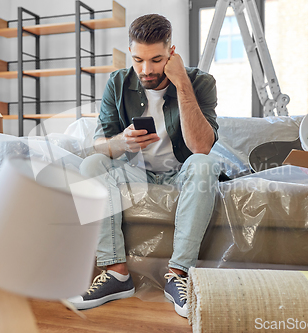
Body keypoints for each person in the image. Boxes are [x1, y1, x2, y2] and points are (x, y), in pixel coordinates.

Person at [67, 14, 221, 318]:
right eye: (138, 60)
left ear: (172, 52)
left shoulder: (201, 82)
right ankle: (116, 274)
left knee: (205, 164)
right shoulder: (118, 82)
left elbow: (201, 146)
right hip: (135, 171)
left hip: (181, 172)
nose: (146, 70)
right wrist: (122, 141)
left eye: (157, 60)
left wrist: (182, 84)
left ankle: (178, 274)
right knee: (91, 165)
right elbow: (101, 144)